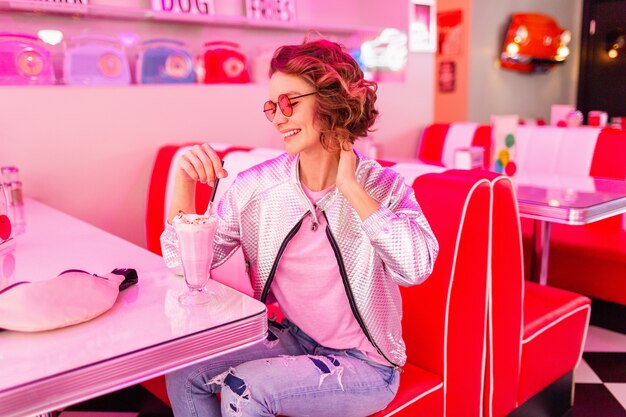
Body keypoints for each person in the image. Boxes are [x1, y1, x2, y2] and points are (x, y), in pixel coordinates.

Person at [161, 38, 439, 417]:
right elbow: (180, 260)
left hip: (367, 363)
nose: (278, 117)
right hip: (295, 338)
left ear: (330, 99)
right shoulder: (256, 187)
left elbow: (417, 267)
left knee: (246, 391)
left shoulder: (382, 187)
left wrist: (351, 188)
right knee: (184, 369)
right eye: (271, 106)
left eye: (290, 102)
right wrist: (184, 181)